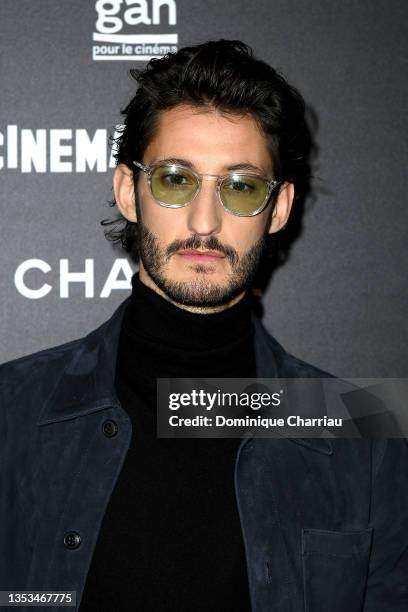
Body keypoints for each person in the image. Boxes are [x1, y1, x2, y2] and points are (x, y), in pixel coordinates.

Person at [1, 39, 407, 612]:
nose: (204, 220)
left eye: (240, 186)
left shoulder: (367, 431)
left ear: (281, 207)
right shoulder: (10, 413)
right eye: (174, 179)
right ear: (128, 191)